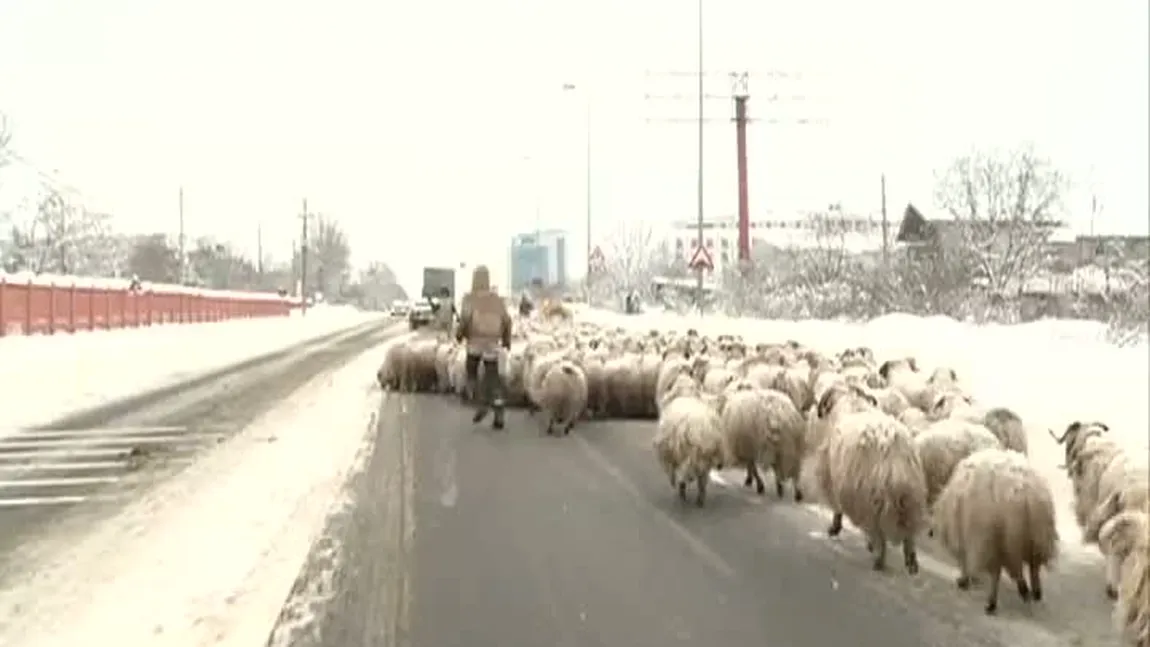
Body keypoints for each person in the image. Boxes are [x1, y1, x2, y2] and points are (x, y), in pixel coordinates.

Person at [456, 265, 512, 429]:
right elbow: (507, 321)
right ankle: (498, 411)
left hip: (474, 343)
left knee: (471, 373)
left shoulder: (469, 298)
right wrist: (506, 340)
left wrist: (459, 335)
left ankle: (480, 402)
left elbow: (465, 319)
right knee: (493, 377)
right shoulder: (498, 300)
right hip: (493, 343)